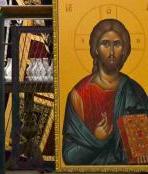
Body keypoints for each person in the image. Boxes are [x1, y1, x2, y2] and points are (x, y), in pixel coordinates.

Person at [63, 19, 148, 165]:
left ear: (124, 50)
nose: (111, 51)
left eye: (117, 44)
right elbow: (69, 155)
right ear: (96, 49)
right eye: (105, 44)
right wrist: (97, 139)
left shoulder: (134, 91)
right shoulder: (79, 94)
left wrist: (140, 151)